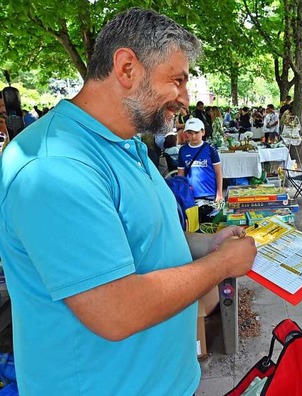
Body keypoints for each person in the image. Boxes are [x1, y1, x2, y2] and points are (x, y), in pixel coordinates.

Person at [0, 9, 257, 395]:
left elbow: (141, 240)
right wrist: (220, 265)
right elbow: (115, 311)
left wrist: (207, 244)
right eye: (177, 80)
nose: (185, 99)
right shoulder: (53, 165)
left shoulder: (128, 146)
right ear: (126, 68)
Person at [178, 118, 223, 201]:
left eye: (196, 132)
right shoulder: (182, 150)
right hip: (191, 195)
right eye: (190, 133)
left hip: (210, 194)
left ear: (203, 132)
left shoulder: (210, 148)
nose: (193, 136)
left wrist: (219, 194)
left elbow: (218, 172)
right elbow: (181, 175)